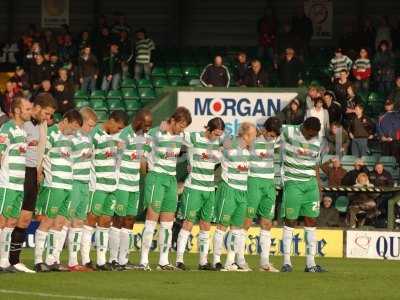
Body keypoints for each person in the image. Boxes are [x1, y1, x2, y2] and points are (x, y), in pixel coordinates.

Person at [138, 107, 192, 271]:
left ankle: (163, 261)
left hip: (171, 179)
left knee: (168, 223)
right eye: (181, 125)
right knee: (151, 219)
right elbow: (142, 153)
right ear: (173, 120)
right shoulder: (156, 133)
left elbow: (200, 142)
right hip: (156, 177)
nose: (182, 129)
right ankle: (143, 261)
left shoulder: (181, 136)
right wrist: (146, 174)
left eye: (185, 127)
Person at [9, 93, 57, 273]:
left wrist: (39, 170)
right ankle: (5, 259)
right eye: (46, 113)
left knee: (26, 218)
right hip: (16, 171)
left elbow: (40, 150)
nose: (48, 118)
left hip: (31, 173)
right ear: (36, 107)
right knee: (9, 217)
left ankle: (14, 260)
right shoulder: (21, 123)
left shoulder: (41, 125)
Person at [33, 109, 83, 272]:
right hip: (54, 185)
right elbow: (40, 155)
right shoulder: (52, 133)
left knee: (60, 223)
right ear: (66, 120)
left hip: (68, 185)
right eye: (74, 127)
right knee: (47, 221)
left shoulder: (70, 139)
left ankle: (52, 259)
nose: (74, 131)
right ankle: (38, 261)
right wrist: (39, 174)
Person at [175, 117, 225, 271]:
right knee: (188, 223)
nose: (217, 137)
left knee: (206, 225)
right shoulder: (194, 137)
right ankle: (179, 260)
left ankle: (203, 261)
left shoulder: (217, 144)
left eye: (220, 134)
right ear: (208, 129)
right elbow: (177, 134)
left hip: (209, 189)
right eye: (215, 133)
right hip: (194, 188)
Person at [280, 117, 326, 273]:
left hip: (310, 184)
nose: (310, 137)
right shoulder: (288, 130)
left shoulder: (318, 140)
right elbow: (269, 134)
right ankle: (286, 262)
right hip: (293, 182)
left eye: (313, 134)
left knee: (311, 221)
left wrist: (319, 185)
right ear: (303, 127)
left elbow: (316, 164)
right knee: (290, 221)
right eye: (308, 134)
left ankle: (310, 264)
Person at [108, 110, 153, 270]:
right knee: (118, 220)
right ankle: (112, 259)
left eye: (150, 126)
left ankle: (123, 260)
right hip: (121, 185)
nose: (148, 128)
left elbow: (142, 162)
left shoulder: (145, 139)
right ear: (138, 121)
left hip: (134, 185)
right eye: (146, 125)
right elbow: (114, 160)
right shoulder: (123, 135)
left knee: (130, 220)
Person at [84, 110, 128, 271]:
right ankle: (86, 259)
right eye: (118, 127)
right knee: (90, 221)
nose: (119, 130)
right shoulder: (94, 134)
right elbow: (86, 158)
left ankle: (102, 262)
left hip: (112, 187)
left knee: (105, 223)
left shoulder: (117, 137)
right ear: (110, 120)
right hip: (97, 186)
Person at [238, 117, 281, 272]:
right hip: (253, 182)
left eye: (275, 135)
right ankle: (240, 260)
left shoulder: (275, 140)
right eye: (270, 134)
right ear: (264, 130)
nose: (272, 138)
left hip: (269, 184)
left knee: (267, 223)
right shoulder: (253, 140)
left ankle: (264, 263)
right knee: (247, 222)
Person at [212, 122, 257, 271]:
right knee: (222, 226)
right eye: (253, 135)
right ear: (246, 135)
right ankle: (217, 260)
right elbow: (212, 156)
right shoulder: (228, 148)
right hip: (228, 190)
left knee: (237, 229)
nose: (255, 138)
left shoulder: (248, 153)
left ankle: (230, 262)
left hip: (242, 192)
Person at [0, 97, 33, 272]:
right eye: (27, 109)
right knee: (1, 221)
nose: (30, 111)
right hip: (6, 183)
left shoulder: (21, 131)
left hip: (18, 184)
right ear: (18, 111)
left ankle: (4, 261)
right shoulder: (7, 129)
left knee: (11, 222)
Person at [66, 107, 97, 272]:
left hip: (85, 183)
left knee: (79, 222)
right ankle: (53, 259)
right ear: (82, 121)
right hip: (74, 182)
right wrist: (81, 155)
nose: (91, 129)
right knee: (65, 220)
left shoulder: (88, 138)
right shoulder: (72, 137)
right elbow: (66, 158)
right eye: (89, 125)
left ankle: (73, 261)